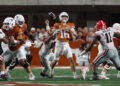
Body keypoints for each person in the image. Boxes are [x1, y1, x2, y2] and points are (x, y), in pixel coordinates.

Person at [50, 12, 78, 79]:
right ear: (60, 17)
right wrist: (54, 33)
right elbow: (51, 34)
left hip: (66, 44)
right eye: (63, 17)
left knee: (71, 59)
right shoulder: (57, 25)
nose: (64, 18)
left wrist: (73, 33)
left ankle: (75, 74)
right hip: (59, 44)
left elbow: (75, 35)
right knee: (55, 60)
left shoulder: (70, 25)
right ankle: (51, 70)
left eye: (66, 17)